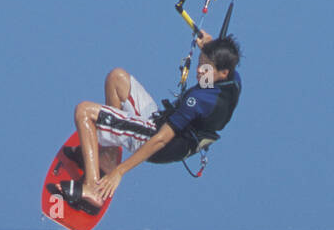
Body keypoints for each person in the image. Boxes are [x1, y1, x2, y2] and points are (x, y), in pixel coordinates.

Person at [55, 32, 242, 213]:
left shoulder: (198, 99)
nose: (199, 71)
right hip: (163, 123)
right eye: (200, 63)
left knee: (84, 112)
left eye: (206, 68)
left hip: (159, 143)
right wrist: (209, 46)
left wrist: (120, 172)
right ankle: (108, 158)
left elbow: (161, 139)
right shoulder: (232, 81)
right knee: (116, 77)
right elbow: (217, 67)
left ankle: (92, 189)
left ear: (223, 72)